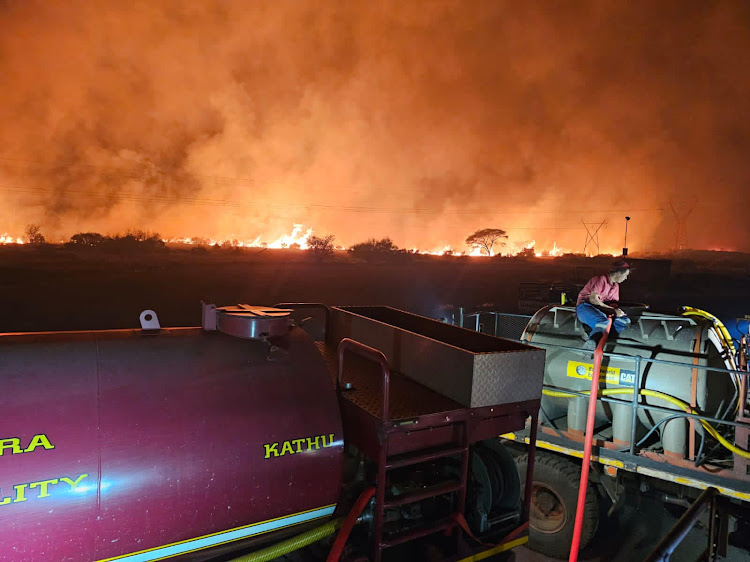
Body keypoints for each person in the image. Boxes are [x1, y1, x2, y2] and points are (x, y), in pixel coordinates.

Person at [576, 260, 632, 350]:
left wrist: (618, 311)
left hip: (601, 309)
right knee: (603, 321)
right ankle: (592, 343)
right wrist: (613, 310)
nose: (625, 278)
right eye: (625, 275)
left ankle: (592, 331)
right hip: (585, 307)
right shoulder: (601, 279)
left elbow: (613, 304)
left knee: (625, 321)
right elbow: (593, 300)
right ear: (618, 273)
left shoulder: (615, 286)